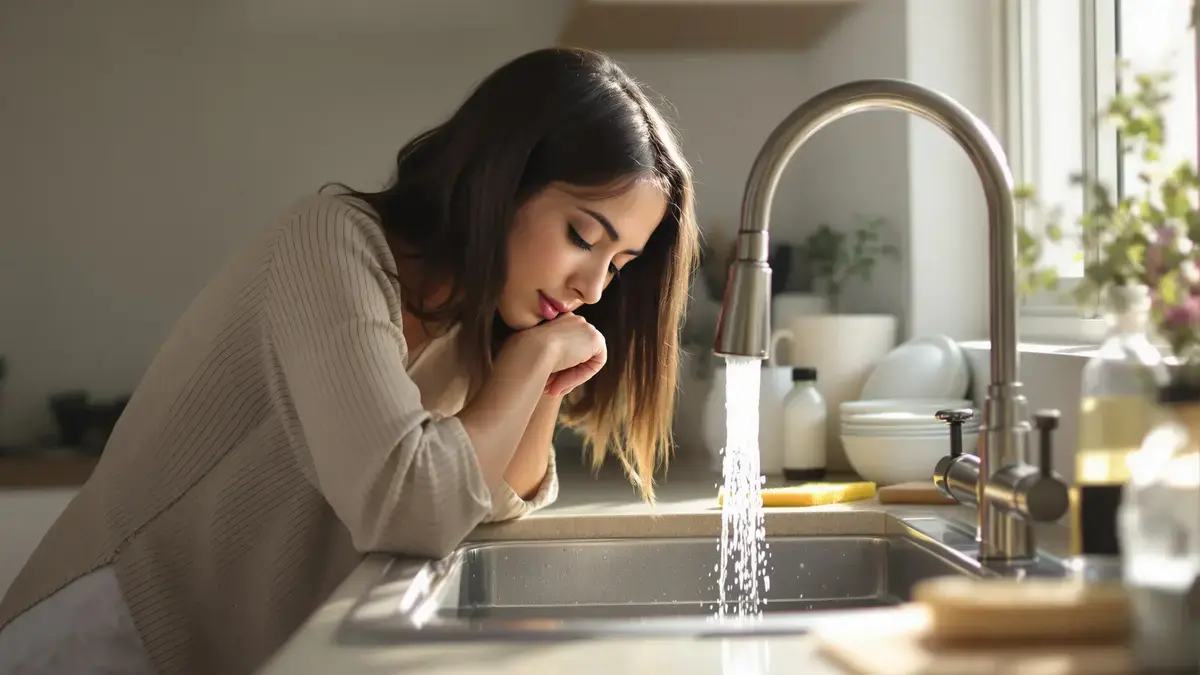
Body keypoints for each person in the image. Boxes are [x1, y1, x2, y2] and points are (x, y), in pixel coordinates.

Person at [0, 47, 699, 675]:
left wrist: (544, 374)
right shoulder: (332, 244)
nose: (595, 287)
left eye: (620, 262)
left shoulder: (477, 321)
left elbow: (482, 510)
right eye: (583, 236)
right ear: (502, 179)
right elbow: (409, 504)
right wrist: (538, 356)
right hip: (107, 631)